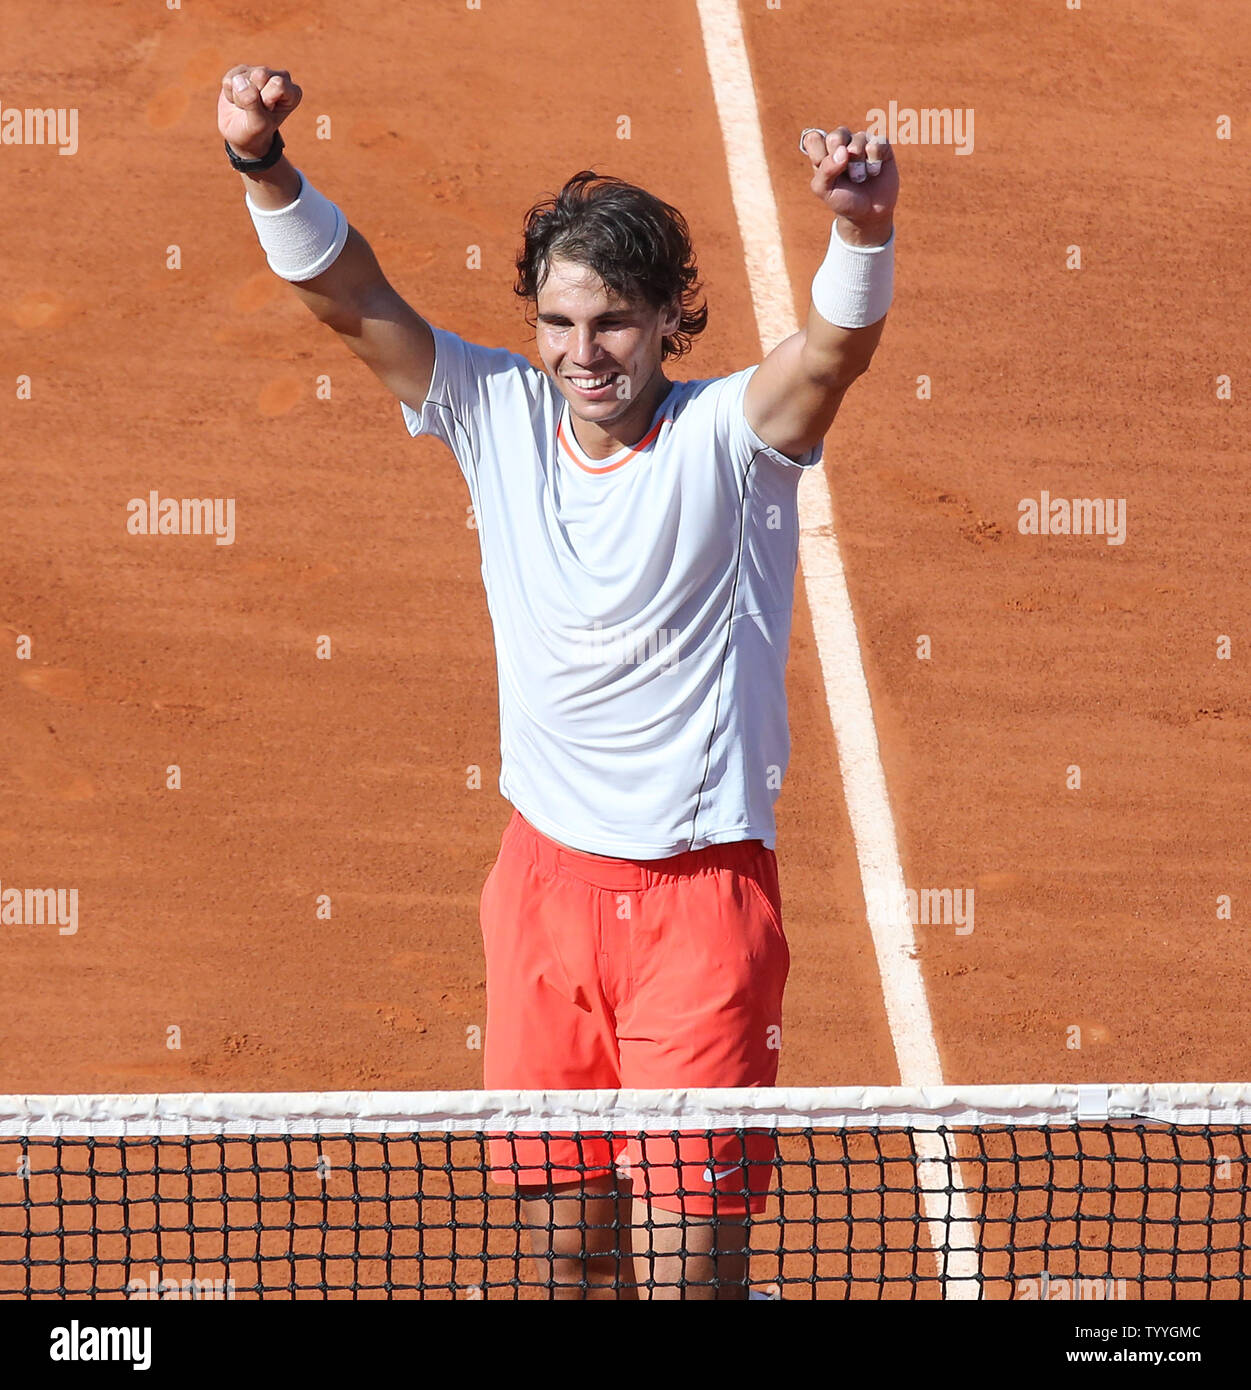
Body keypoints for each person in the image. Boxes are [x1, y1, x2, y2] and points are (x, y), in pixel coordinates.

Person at [218, 63, 898, 1301]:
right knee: (569, 1269)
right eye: (560, 324)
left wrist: (862, 227)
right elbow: (347, 294)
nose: (586, 355)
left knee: (697, 1277)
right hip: (540, 899)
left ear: (668, 320)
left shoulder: (733, 443)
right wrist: (261, 162)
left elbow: (838, 347)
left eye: (616, 323)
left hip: (702, 906)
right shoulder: (492, 411)